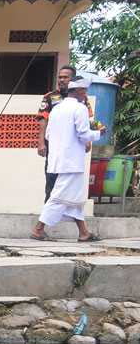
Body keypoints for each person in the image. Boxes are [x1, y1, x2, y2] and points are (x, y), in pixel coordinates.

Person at [30, 75, 104, 242]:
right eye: (84, 90)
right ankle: (38, 229)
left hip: (58, 160)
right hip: (72, 161)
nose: (85, 93)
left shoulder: (57, 109)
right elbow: (83, 133)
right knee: (59, 196)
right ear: (78, 90)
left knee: (74, 197)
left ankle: (83, 232)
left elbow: (48, 134)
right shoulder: (80, 109)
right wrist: (99, 133)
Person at [37, 65, 93, 202]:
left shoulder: (82, 98)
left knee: (71, 179)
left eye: (65, 77)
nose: (61, 80)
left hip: (72, 147)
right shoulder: (50, 97)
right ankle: (49, 210)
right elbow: (43, 120)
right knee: (52, 177)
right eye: (59, 77)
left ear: (72, 80)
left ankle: (68, 210)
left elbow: (86, 120)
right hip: (54, 145)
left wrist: (88, 140)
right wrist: (41, 142)